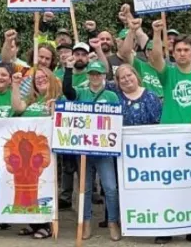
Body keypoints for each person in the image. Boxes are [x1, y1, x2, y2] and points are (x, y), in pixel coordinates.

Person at [61, 58, 121, 242]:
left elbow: (116, 120)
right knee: (84, 189)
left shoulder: (111, 96)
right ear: (88, 75)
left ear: (104, 75)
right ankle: (85, 222)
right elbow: (67, 92)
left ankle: (113, 222)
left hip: (104, 151)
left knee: (110, 188)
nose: (95, 77)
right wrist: (69, 69)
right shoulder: (81, 92)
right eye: (92, 74)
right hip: (84, 150)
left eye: (98, 73)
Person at [112, 62, 163, 126]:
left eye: (129, 75)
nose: (127, 79)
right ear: (118, 81)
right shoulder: (115, 98)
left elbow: (160, 121)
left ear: (136, 75)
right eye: (122, 78)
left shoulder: (151, 96)